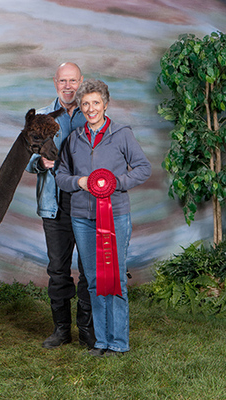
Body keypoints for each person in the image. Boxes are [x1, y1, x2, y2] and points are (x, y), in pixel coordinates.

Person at [56, 79, 151, 356]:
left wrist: (114, 182)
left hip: (116, 215)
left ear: (106, 104)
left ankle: (118, 342)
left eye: (95, 103)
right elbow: (61, 176)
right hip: (82, 217)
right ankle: (101, 341)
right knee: (94, 279)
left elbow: (143, 168)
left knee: (116, 278)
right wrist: (80, 182)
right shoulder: (74, 138)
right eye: (85, 104)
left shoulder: (122, 134)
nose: (90, 108)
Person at [26, 62, 95, 349]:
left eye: (73, 81)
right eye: (63, 81)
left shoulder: (93, 113)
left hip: (87, 204)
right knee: (57, 269)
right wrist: (40, 162)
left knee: (89, 268)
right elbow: (27, 159)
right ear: (55, 83)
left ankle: (88, 331)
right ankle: (61, 329)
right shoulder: (41, 117)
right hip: (54, 204)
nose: (68, 86)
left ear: (81, 82)